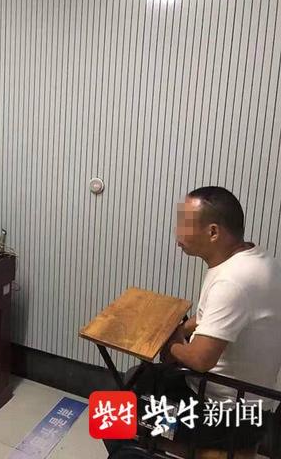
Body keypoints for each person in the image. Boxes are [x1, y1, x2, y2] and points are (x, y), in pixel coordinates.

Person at [116, 186, 281, 453]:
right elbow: (209, 316)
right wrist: (182, 329)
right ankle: (157, 433)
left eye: (184, 223)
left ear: (213, 232)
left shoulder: (233, 282)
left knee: (110, 416)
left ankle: (156, 441)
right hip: (254, 405)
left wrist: (168, 343)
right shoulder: (254, 259)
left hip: (223, 417)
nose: (177, 232)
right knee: (139, 377)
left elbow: (201, 359)